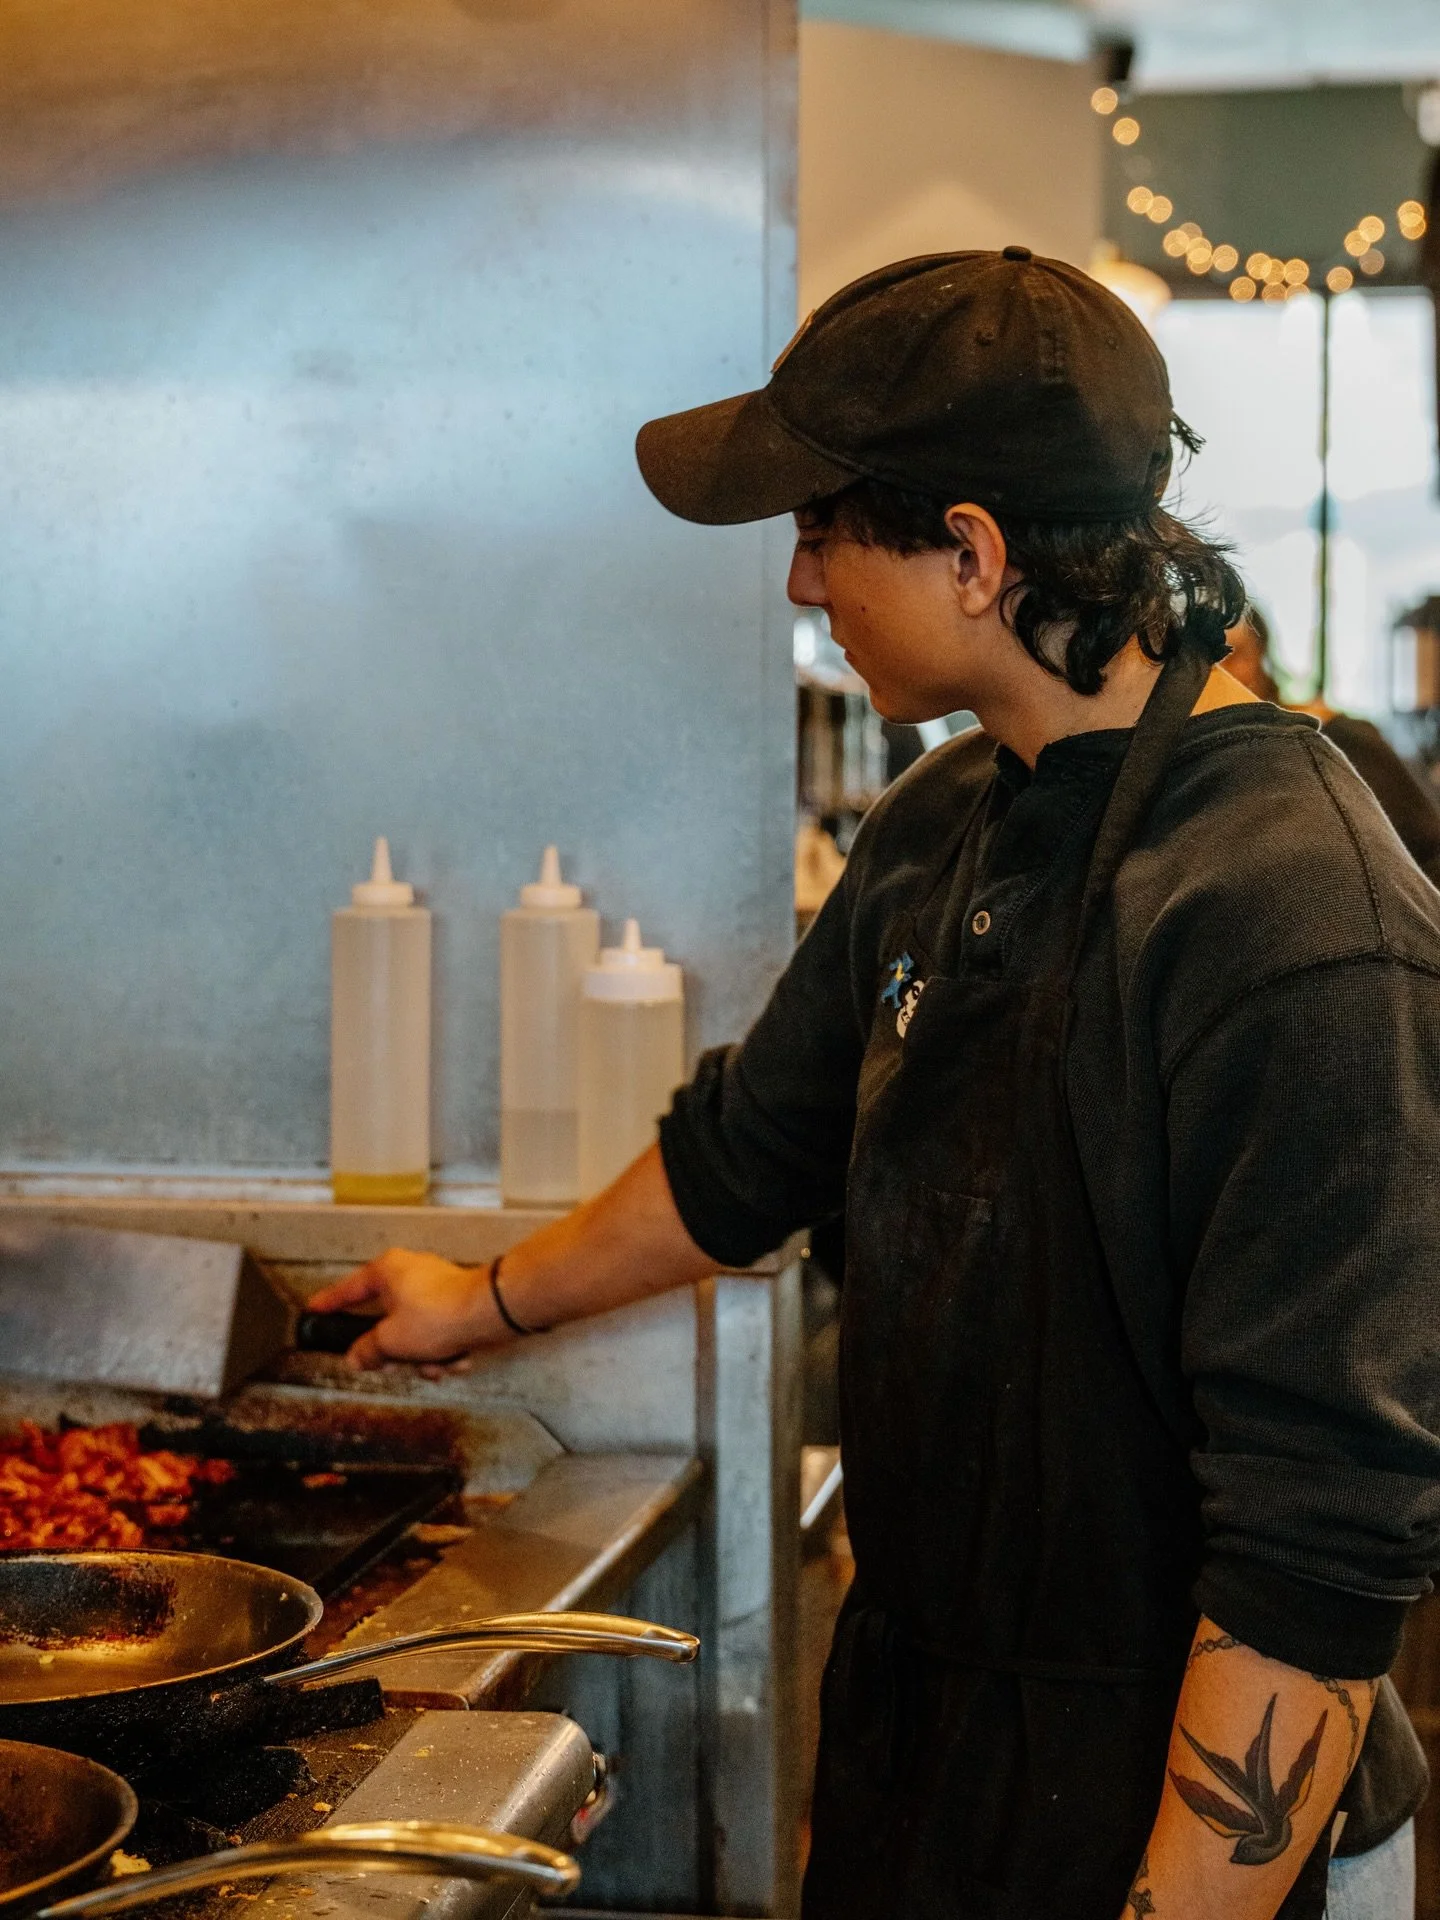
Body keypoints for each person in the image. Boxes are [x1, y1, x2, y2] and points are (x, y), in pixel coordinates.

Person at [308, 250, 1440, 1920]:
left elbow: (1323, 1539)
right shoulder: (942, 824)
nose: (799, 582)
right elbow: (744, 1158)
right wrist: (472, 1302)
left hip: (1191, 1827)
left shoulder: (1300, 914)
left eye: (822, 527)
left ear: (973, 555)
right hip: (932, 1748)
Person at [1225, 604, 1440, 888]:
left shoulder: (1333, 736)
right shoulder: (1207, 758)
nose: (1221, 674)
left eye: (1233, 656)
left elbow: (1426, 844)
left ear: (1259, 655)